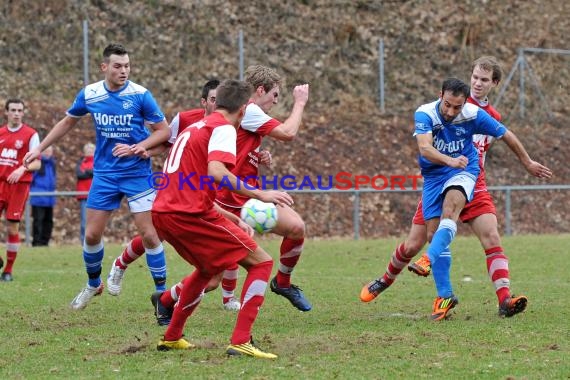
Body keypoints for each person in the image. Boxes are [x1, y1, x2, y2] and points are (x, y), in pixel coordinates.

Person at [361, 76, 552, 321]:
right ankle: (392, 281)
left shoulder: (479, 114)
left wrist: (527, 162)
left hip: (467, 174)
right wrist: (450, 160)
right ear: (441, 95)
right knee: (418, 241)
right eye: (475, 77)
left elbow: (506, 135)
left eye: (485, 79)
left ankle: (504, 298)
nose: (452, 111)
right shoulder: (426, 113)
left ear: (494, 83)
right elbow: (425, 148)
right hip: (435, 176)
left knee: (486, 232)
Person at [151, 79, 293, 358]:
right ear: (242, 110)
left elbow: (191, 188)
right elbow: (218, 172)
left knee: (206, 270)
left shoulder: (195, 128)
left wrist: (231, 217)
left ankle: (172, 337)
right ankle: (241, 341)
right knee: (262, 262)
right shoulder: (225, 129)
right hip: (188, 215)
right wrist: (260, 194)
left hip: (164, 212)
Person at [23, 43, 171, 309]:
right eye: (117, 66)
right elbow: (67, 122)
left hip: (137, 173)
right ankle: (94, 283)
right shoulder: (90, 94)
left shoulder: (141, 95)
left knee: (149, 234)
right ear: (105, 67)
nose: (123, 70)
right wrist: (39, 149)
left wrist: (142, 146)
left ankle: (162, 296)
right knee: (91, 236)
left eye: (127, 66)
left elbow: (164, 131)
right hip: (104, 174)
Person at [0, 98, 41, 281]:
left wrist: (21, 168)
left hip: (19, 186)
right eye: (13, 110)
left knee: (12, 228)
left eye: (19, 110)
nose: (16, 113)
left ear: (23, 113)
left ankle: (8, 271)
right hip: (0, 183)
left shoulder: (30, 135)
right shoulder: (0, 133)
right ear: (6, 112)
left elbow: (37, 163)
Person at [30, 146, 57, 246]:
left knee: (48, 221)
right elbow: (31, 179)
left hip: (49, 198)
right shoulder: (37, 164)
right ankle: (37, 242)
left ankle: (45, 242)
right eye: (45, 151)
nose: (47, 153)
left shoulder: (52, 163)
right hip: (38, 198)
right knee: (38, 221)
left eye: (49, 151)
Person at [76, 142, 95, 243]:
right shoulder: (80, 162)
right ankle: (83, 241)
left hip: (95, 194)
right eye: (87, 150)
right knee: (84, 220)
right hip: (84, 195)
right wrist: (90, 172)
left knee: (96, 220)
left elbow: (96, 172)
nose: (89, 152)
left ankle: (95, 240)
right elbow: (79, 174)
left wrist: (87, 171)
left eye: (91, 150)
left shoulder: (97, 161)